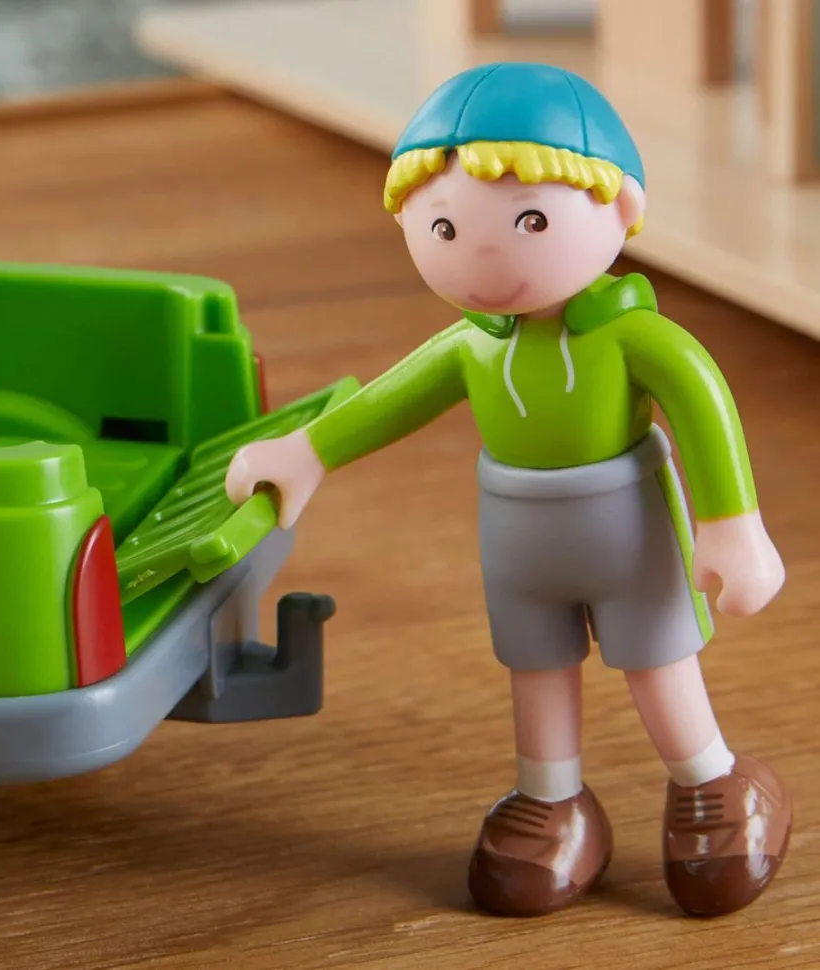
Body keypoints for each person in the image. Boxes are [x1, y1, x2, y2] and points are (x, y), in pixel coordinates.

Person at [225, 61, 791, 919]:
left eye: (531, 220)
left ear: (623, 210)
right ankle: (552, 803)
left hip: (628, 527)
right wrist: (309, 450)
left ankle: (711, 782)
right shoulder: (471, 345)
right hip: (519, 536)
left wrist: (732, 525)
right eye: (443, 227)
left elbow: (700, 400)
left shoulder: (634, 336)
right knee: (536, 668)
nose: (485, 257)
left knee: (658, 662)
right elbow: (389, 399)